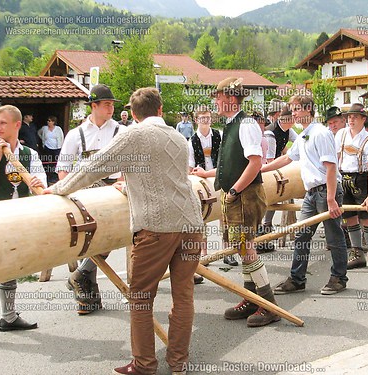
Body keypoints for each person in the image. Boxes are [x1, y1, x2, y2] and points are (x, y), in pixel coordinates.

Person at [45, 87, 204, 375]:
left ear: (132, 114)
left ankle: (144, 365)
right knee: (184, 296)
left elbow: (93, 167)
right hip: (192, 225)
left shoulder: (133, 134)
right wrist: (130, 184)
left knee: (141, 297)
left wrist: (56, 190)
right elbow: (167, 177)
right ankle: (178, 362)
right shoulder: (179, 137)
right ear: (160, 109)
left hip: (157, 227)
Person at [193, 77, 279, 327]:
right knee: (242, 248)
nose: (216, 103)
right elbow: (230, 165)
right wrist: (207, 174)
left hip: (244, 197)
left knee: (246, 247)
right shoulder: (232, 124)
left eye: (218, 98)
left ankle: (267, 303)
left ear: (231, 99)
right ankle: (250, 298)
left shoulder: (246, 123)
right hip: (236, 196)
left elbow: (255, 163)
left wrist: (233, 191)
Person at [262, 95, 348, 295]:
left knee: (334, 237)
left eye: (296, 109)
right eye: (292, 109)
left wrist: (331, 198)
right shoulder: (304, 135)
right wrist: (262, 170)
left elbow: (331, 167)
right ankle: (297, 279)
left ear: (308, 109)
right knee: (301, 236)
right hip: (311, 194)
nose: (293, 114)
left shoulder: (320, 133)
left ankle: (339, 278)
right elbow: (286, 159)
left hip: (326, 191)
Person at [56, 84, 128, 315]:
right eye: (106, 104)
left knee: (110, 236)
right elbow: (64, 168)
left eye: (112, 104)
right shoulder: (75, 134)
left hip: (113, 189)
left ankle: (81, 275)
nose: (111, 108)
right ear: (93, 106)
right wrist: (69, 194)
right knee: (92, 237)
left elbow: (130, 162)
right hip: (86, 192)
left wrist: (124, 181)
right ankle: (87, 296)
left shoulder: (121, 131)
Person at [0, 105, 45, 348]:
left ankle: (9, 317)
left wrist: (36, 183)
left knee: (10, 267)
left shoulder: (29, 154)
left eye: (3, 123)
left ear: (16, 125)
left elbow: (41, 187)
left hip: (18, 218)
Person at [335, 103, 368, 272]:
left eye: (355, 117)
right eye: (349, 117)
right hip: (344, 178)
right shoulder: (341, 134)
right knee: (349, 217)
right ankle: (357, 254)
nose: (351, 120)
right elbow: (335, 158)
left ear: (364, 119)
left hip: (362, 179)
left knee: (367, 217)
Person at [188, 106, 238, 269]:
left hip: (217, 176)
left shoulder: (219, 135)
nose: (206, 121)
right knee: (202, 217)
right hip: (200, 181)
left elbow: (226, 159)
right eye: (203, 118)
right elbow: (190, 167)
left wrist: (210, 173)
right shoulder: (191, 141)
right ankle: (205, 254)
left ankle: (226, 251)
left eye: (208, 118)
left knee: (224, 215)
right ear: (196, 120)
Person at [257, 105, 298, 253]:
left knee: (278, 196)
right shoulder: (270, 133)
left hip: (274, 165)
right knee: (271, 196)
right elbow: (269, 160)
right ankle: (264, 227)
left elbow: (299, 142)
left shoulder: (288, 129)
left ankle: (267, 225)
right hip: (265, 168)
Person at [37, 115, 64, 185]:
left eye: (50, 121)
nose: (48, 122)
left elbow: (62, 137)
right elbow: (39, 133)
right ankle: (49, 176)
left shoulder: (58, 129)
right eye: (48, 121)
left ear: (53, 122)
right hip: (47, 148)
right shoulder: (44, 128)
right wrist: (43, 139)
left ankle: (56, 177)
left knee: (56, 163)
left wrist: (61, 146)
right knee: (48, 163)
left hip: (56, 148)